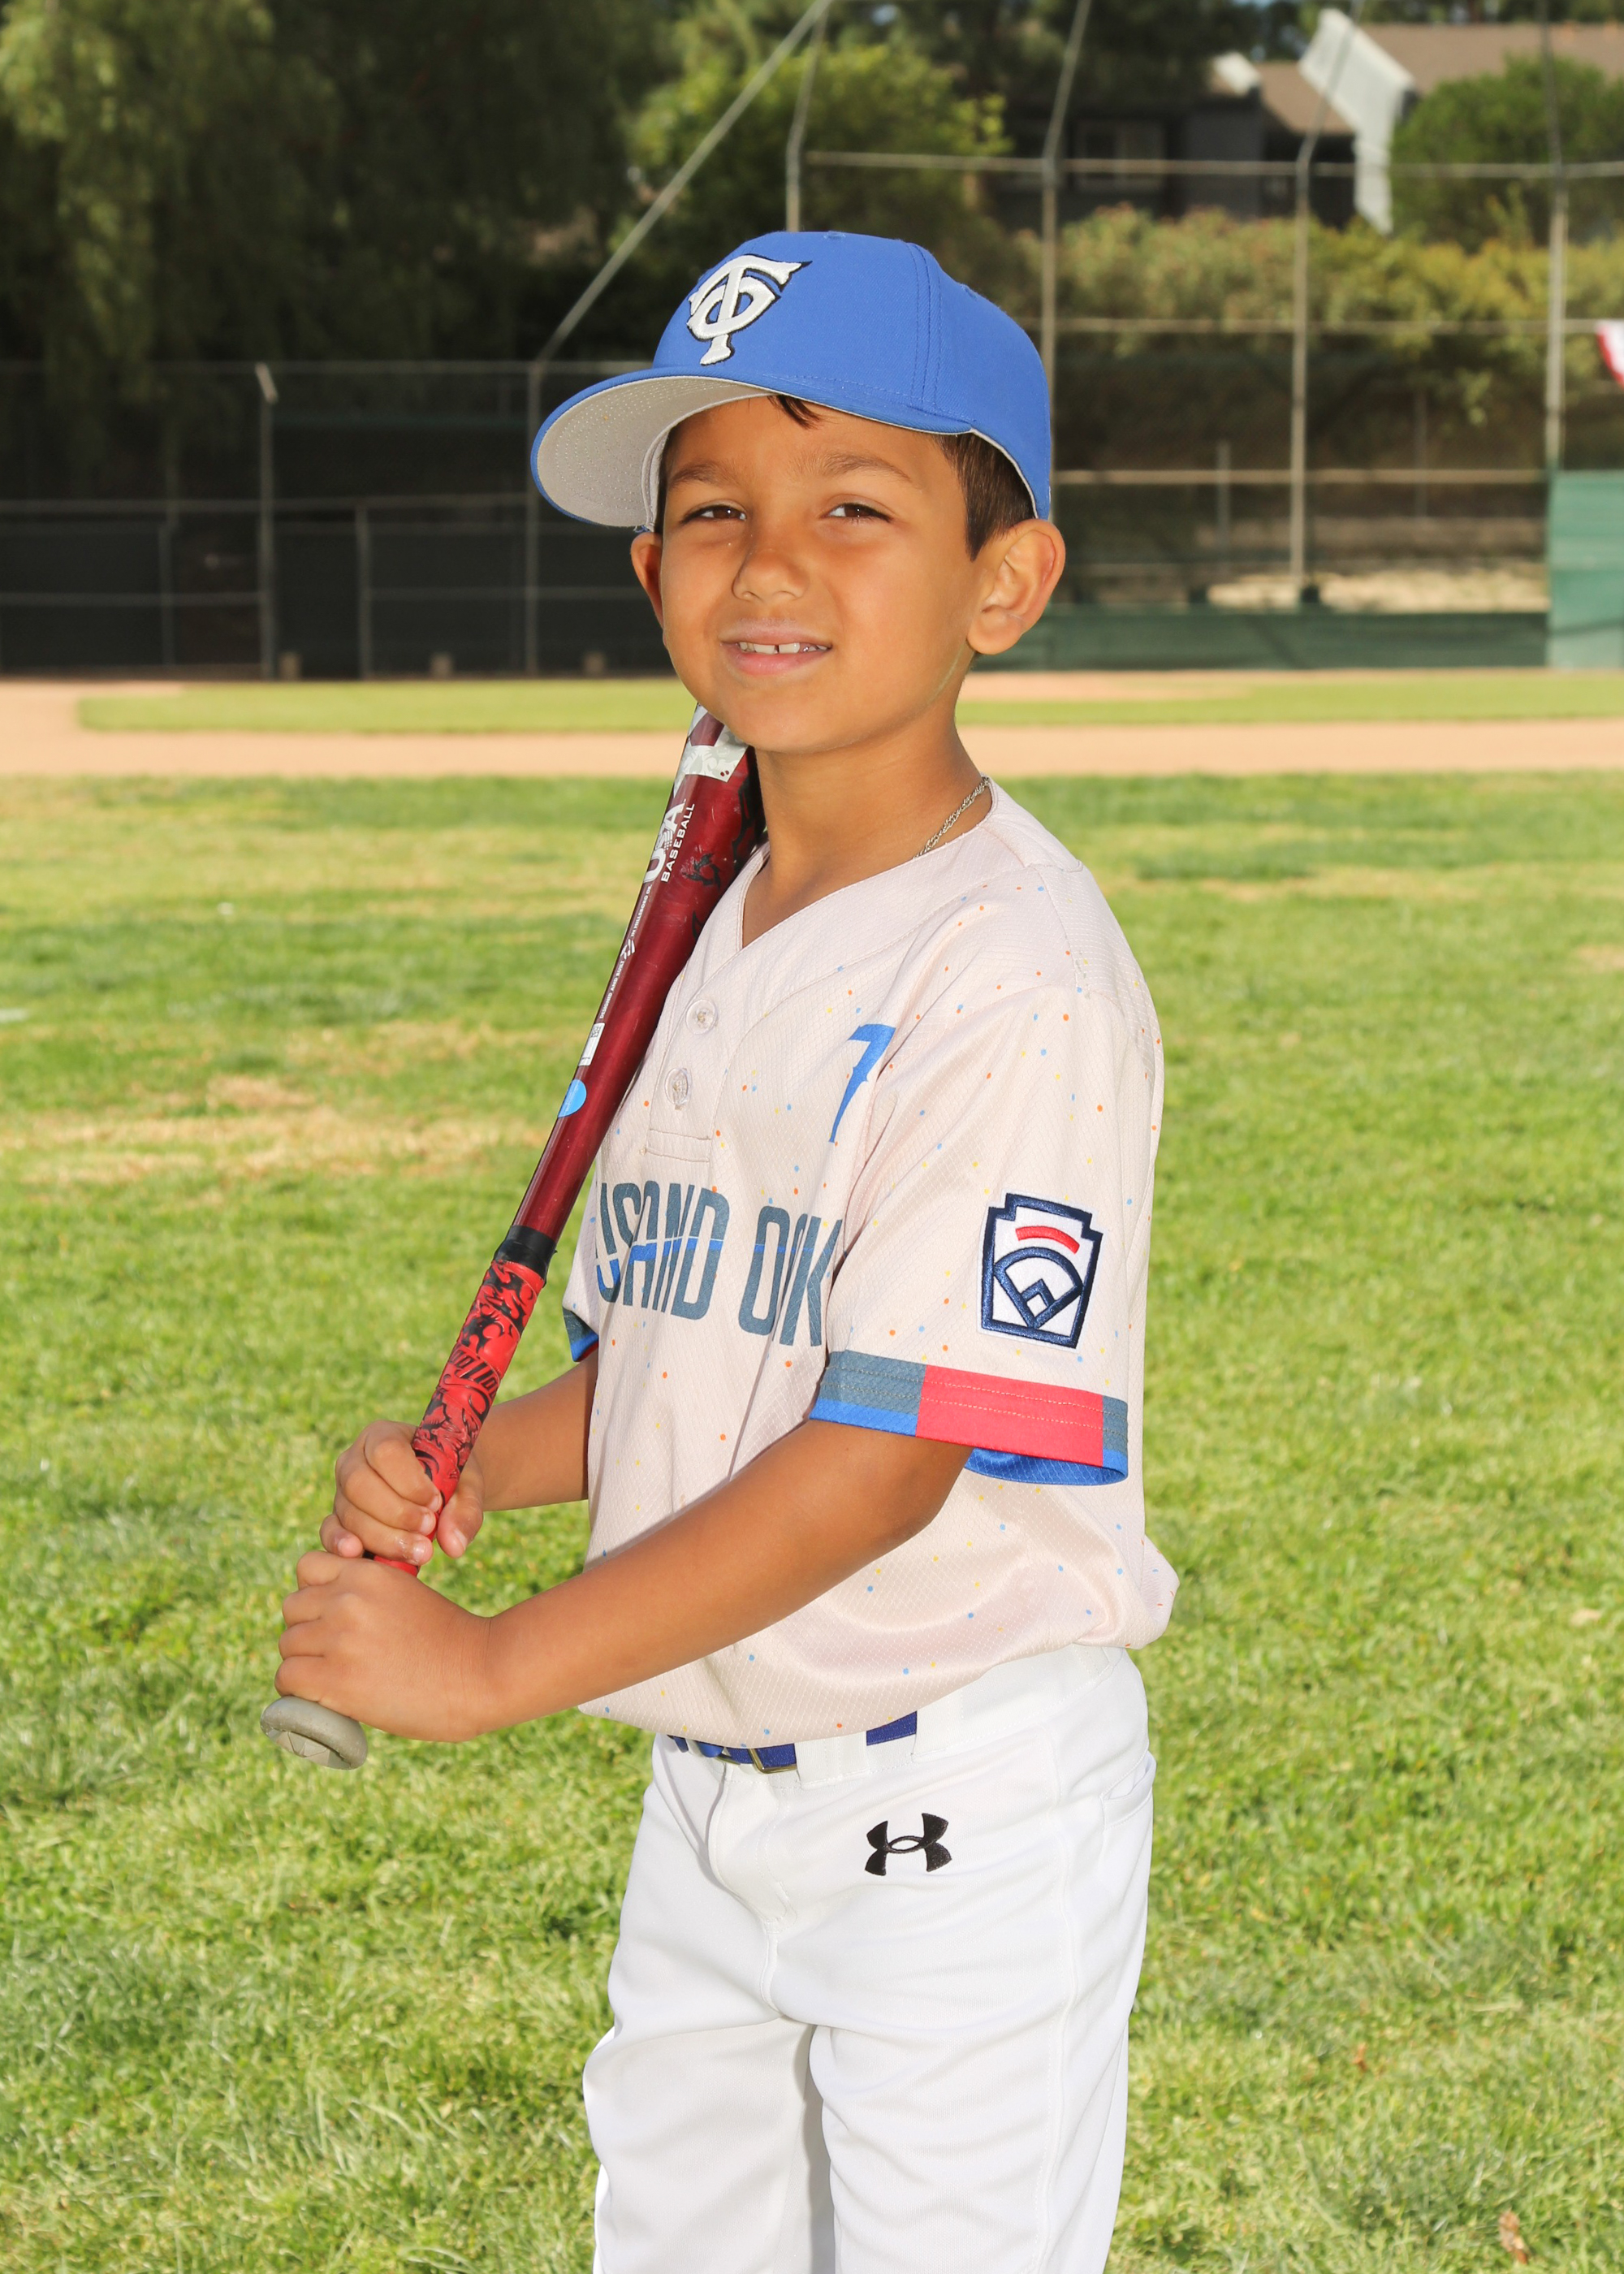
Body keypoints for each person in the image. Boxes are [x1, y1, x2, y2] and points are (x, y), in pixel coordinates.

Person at [275, 231, 1176, 2273]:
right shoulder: (722, 921)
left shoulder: (1015, 973)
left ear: (1005, 583)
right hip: (708, 1784)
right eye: (711, 512)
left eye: (853, 507)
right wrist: (477, 1457)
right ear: (649, 569)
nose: (768, 564)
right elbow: (688, 1355)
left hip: (955, 1804)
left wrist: (495, 1662)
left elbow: (878, 1456)